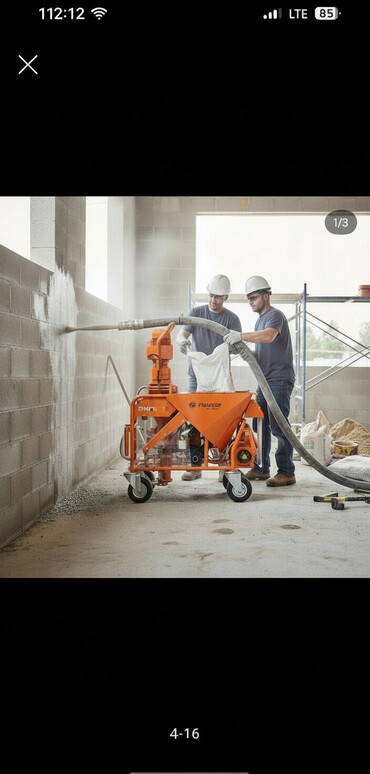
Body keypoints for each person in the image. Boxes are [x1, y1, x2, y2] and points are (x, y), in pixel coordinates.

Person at [223, 275, 296, 487]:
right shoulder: (259, 320)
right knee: (260, 423)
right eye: (248, 299)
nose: (251, 302)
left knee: (279, 427)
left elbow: (269, 336)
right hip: (266, 380)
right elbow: (262, 351)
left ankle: (287, 472)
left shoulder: (275, 316)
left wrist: (241, 336)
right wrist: (243, 350)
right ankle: (261, 468)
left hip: (279, 380)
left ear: (266, 296)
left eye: (254, 297)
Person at [177, 274, 242, 481]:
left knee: (222, 421)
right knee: (195, 421)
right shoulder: (197, 313)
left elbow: (237, 347)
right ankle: (195, 467)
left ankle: (224, 466)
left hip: (220, 378)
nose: (214, 301)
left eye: (219, 297)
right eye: (212, 296)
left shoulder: (231, 319)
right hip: (196, 376)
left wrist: (233, 348)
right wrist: (181, 342)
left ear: (226, 298)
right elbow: (182, 334)